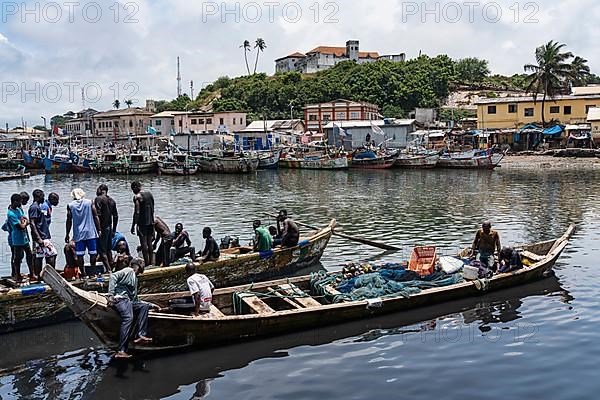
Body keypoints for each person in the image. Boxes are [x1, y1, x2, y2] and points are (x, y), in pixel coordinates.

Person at [107, 258, 153, 359]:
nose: (144, 266)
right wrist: (110, 295)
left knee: (144, 307)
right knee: (128, 317)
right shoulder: (128, 271)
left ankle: (141, 334)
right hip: (120, 299)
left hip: (128, 302)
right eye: (144, 263)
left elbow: (136, 300)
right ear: (139, 264)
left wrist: (152, 305)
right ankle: (121, 350)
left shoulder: (135, 278)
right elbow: (113, 276)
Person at [65, 189, 101, 277]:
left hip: (78, 234)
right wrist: (99, 229)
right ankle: (92, 273)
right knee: (93, 253)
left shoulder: (70, 205)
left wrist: (67, 234)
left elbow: (69, 220)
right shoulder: (90, 202)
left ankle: (83, 273)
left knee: (80, 255)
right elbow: (96, 216)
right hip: (91, 232)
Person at [29, 189, 57, 276]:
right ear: (38, 197)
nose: (44, 198)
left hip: (41, 235)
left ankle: (40, 276)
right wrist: (39, 238)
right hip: (41, 237)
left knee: (39, 256)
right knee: (52, 254)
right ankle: (49, 275)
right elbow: (32, 223)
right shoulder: (34, 207)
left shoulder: (37, 206)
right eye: (42, 196)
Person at [7, 194, 33, 282]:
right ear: (15, 202)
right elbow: (20, 226)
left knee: (29, 255)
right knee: (17, 258)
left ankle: (32, 274)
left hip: (25, 238)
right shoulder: (10, 213)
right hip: (17, 239)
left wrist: (24, 222)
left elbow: (25, 220)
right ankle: (17, 275)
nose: (21, 203)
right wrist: (24, 223)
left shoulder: (18, 210)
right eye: (19, 201)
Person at [94, 184, 119, 274]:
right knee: (108, 250)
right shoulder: (112, 200)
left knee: (101, 250)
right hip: (109, 227)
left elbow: (98, 215)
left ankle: (108, 269)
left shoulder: (98, 199)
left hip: (102, 228)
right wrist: (114, 230)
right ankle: (111, 267)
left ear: (101, 190)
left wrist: (98, 229)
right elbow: (115, 216)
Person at [130, 181, 155, 267]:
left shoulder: (137, 197)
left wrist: (134, 225)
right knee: (150, 243)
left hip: (142, 223)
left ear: (136, 187)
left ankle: (147, 263)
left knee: (143, 243)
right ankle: (152, 262)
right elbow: (152, 208)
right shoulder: (149, 194)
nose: (133, 191)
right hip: (151, 221)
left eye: (133, 189)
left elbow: (137, 212)